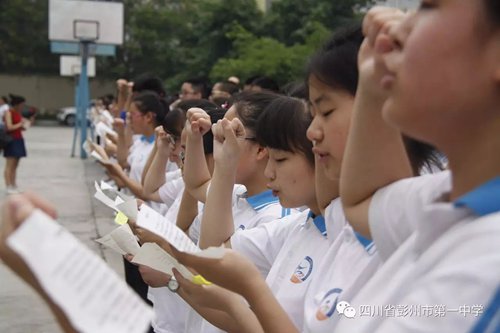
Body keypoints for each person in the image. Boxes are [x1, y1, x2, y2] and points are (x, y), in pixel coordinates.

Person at [336, 3, 500, 333]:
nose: (392, 29)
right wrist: (373, 83)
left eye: (427, 7)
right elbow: (363, 201)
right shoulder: (451, 198)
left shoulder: (485, 269)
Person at [4, 94, 28, 195]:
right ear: (17, 104)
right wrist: (20, 124)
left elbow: (20, 127)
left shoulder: (18, 113)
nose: (23, 106)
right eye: (22, 104)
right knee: (10, 164)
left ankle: (14, 185)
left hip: (19, 139)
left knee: (15, 165)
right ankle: (8, 185)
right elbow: (9, 127)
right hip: (11, 140)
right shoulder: (9, 112)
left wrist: (25, 125)